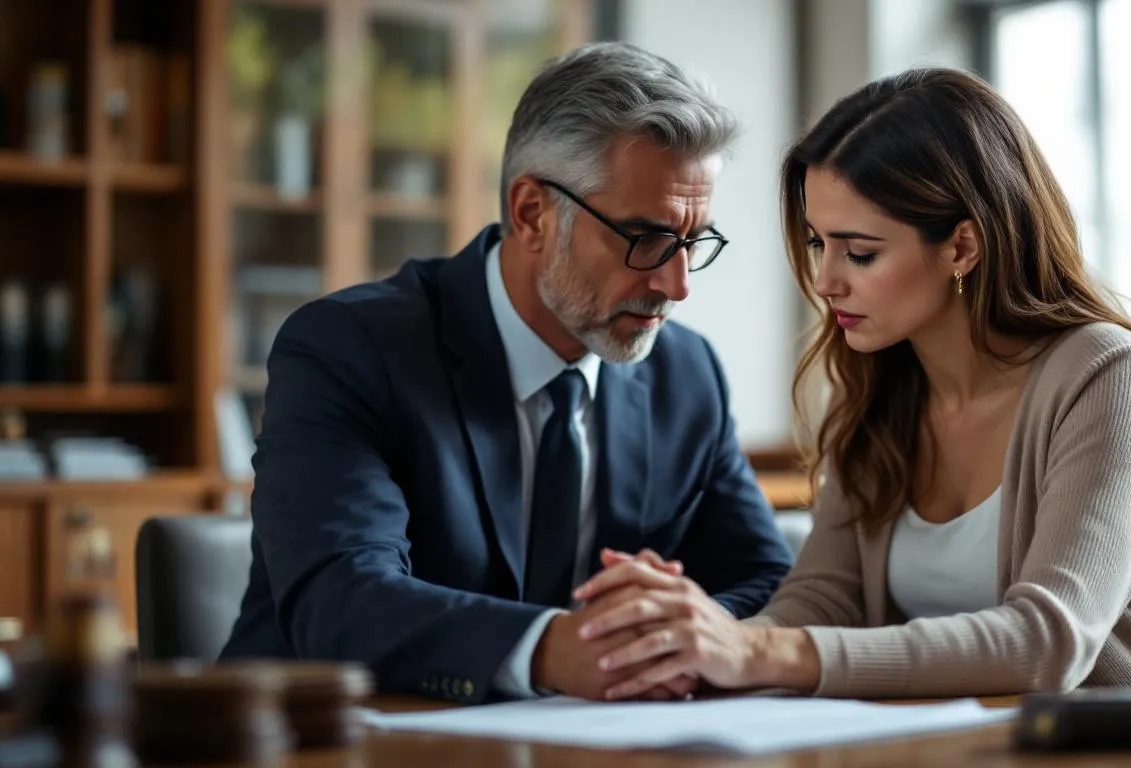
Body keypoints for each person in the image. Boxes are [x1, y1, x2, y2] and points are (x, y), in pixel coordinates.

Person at [571, 67, 1131, 701]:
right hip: (966, 746)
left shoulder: (1105, 375)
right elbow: (823, 599)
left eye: (860, 252)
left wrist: (754, 652)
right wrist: (691, 647)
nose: (826, 281)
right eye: (817, 243)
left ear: (962, 248)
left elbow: (1049, 642)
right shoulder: (880, 384)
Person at [217, 42, 794, 704]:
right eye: (646, 240)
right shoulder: (350, 349)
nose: (678, 285)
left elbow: (770, 582)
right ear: (532, 214)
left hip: (582, 740)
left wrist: (677, 630)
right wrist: (553, 648)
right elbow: (342, 599)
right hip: (315, 735)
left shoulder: (686, 375)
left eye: (693, 242)